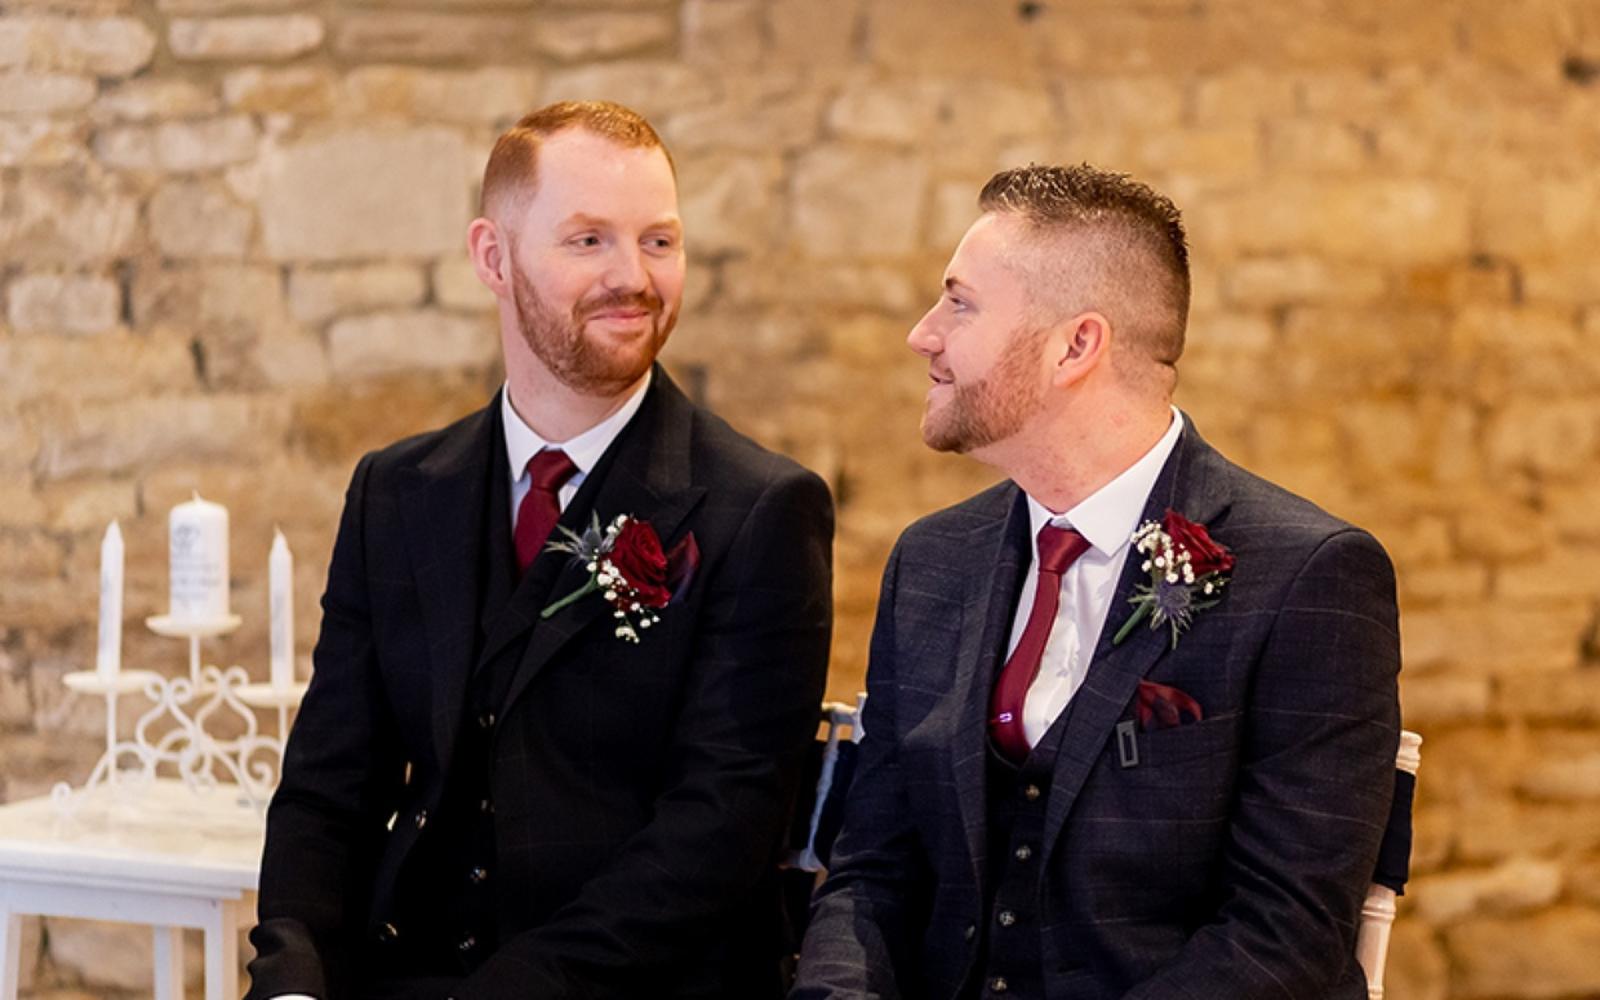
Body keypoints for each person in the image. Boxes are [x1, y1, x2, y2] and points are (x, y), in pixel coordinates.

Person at [246, 101, 833, 1000]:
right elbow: (331, 783)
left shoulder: (759, 510)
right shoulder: (397, 492)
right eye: (588, 241)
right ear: (492, 256)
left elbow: (719, 834)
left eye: (660, 241)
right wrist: (293, 977)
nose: (633, 277)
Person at [792, 164, 1401, 999]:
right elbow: (872, 871)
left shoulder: (1308, 577)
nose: (923, 334)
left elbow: (1282, 933)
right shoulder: (933, 562)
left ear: (1075, 345)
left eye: (959, 304)